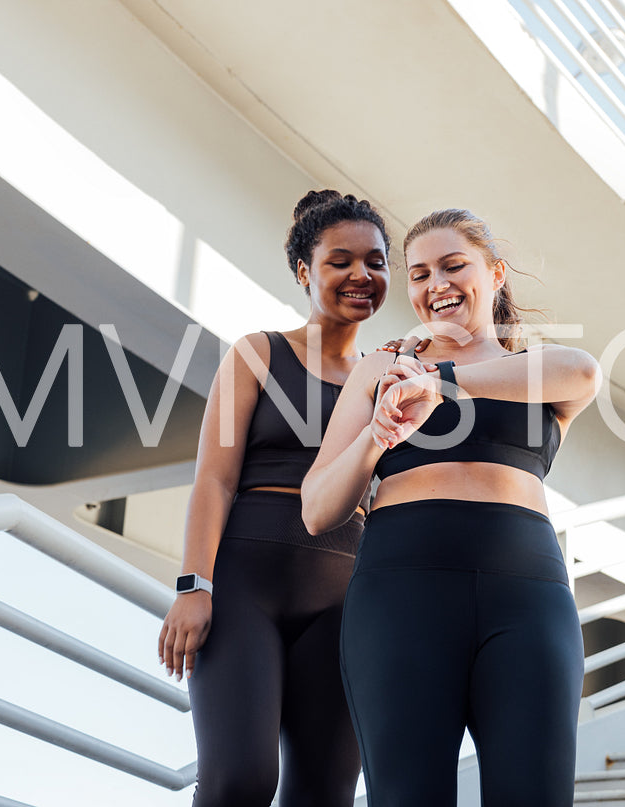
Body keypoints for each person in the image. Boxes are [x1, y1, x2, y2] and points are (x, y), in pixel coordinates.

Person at [302, 208, 600, 806]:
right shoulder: (380, 370)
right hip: (400, 597)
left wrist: (439, 381)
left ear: (495, 272)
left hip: (528, 599)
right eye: (418, 274)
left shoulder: (535, 371)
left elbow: (585, 371)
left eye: (453, 265)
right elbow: (316, 508)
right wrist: (377, 433)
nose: (435, 284)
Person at [158, 190, 391, 806]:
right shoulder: (258, 353)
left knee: (324, 795)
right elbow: (214, 478)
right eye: (340, 261)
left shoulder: (388, 379)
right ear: (304, 271)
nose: (361, 275)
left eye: (376, 261)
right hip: (244, 589)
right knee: (240, 781)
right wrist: (193, 585)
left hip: (346, 600)